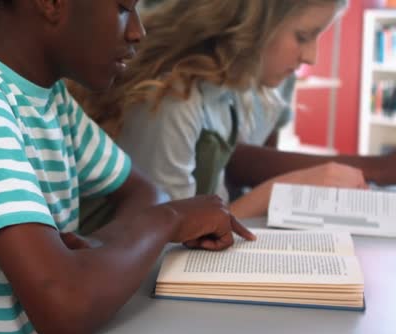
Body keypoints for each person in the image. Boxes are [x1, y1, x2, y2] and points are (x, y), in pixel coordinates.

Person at [0, 0, 255, 334]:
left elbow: (145, 193)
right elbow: (65, 309)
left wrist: (96, 247)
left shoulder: (52, 101)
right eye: (124, 7)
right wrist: (169, 220)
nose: (138, 31)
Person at [70, 0, 396, 222]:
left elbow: (212, 210)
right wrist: (280, 189)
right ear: (254, 24)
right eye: (303, 36)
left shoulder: (224, 98)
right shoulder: (171, 101)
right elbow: (161, 241)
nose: (310, 56)